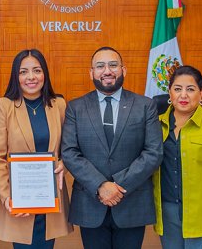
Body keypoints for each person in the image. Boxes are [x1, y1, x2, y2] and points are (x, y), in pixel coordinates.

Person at [61, 46, 163, 249]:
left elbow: (153, 152)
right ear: (91, 72)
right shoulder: (75, 107)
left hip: (132, 203)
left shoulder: (145, 105)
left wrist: (116, 186)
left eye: (113, 65)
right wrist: (100, 185)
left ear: (123, 70)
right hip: (90, 204)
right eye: (100, 66)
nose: (107, 71)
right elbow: (70, 152)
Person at [0, 49, 73, 248]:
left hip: (50, 199)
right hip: (18, 201)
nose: (31, 77)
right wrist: (7, 196)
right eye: (23, 72)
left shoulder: (58, 105)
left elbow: (69, 149)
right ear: (16, 77)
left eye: (37, 70)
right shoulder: (4, 106)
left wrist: (64, 163)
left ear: (45, 74)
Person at [152, 65, 202, 248]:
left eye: (191, 89)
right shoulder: (155, 126)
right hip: (167, 213)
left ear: (201, 93)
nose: (183, 95)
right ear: (169, 93)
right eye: (177, 89)